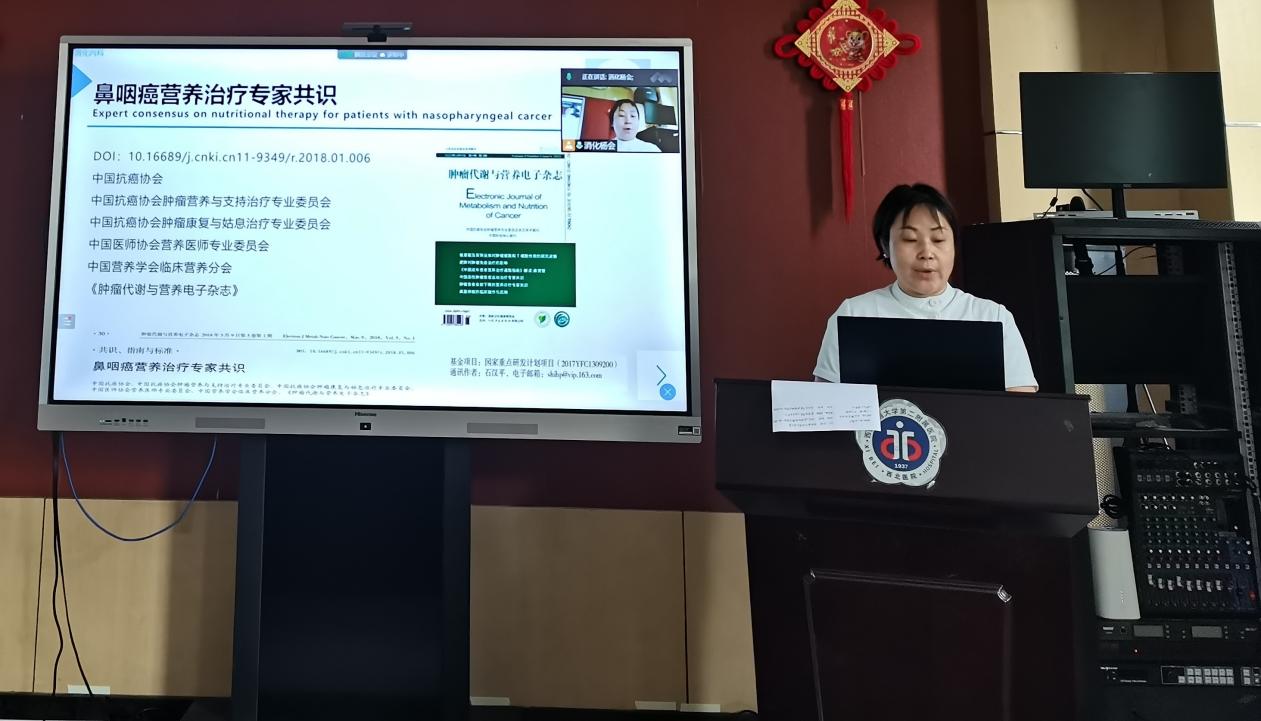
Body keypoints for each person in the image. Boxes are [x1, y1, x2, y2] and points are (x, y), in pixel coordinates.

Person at [813, 183, 1038, 392]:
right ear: (885, 246)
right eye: (910, 240)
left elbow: (1021, 407)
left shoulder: (992, 317)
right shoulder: (853, 314)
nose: (927, 253)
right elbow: (826, 403)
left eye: (938, 240)